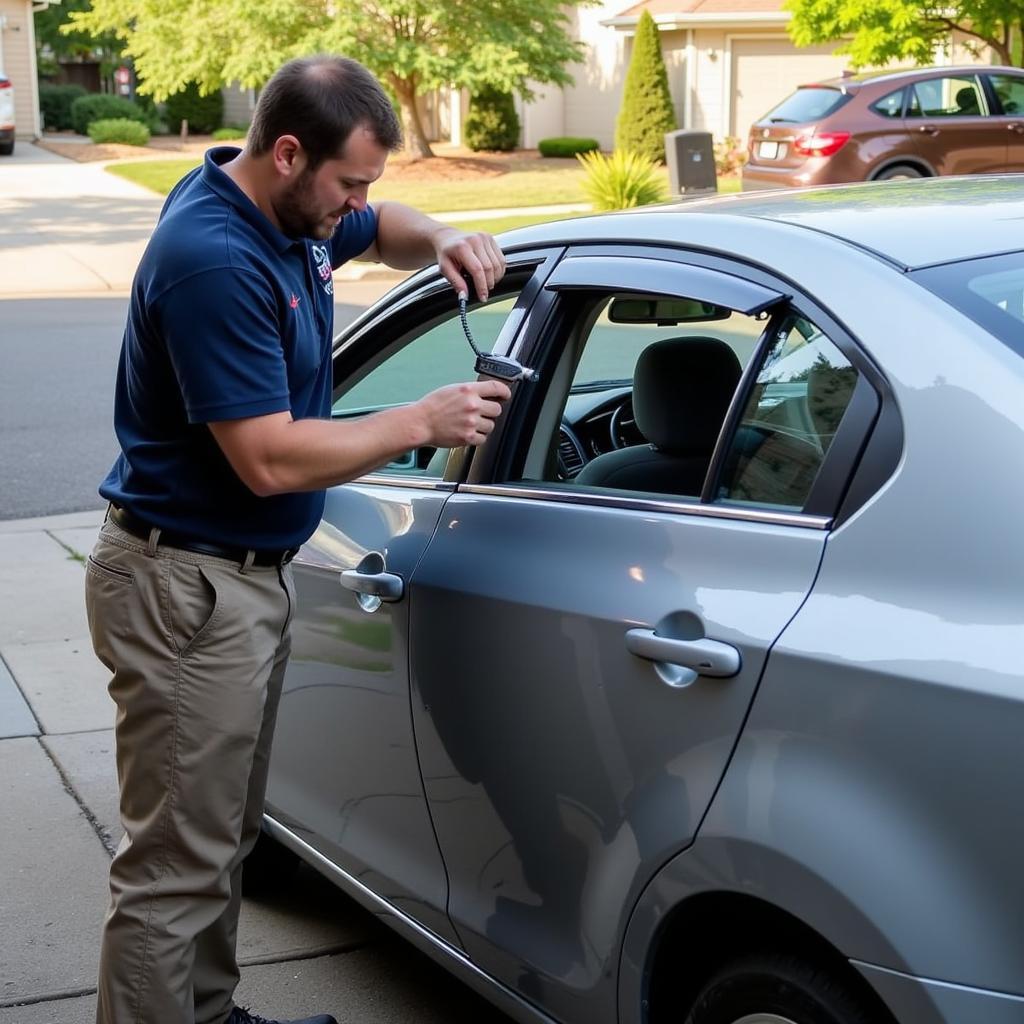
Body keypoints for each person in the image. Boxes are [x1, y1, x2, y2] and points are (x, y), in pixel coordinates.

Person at [84, 54, 511, 1024]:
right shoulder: (213, 257)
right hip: (183, 584)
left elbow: (382, 229)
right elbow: (268, 459)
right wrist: (421, 421)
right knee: (173, 866)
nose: (359, 204)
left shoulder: (286, 212)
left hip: (234, 578)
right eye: (349, 183)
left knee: (224, 833)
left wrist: (441, 234)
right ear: (288, 153)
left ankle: (207, 1011)